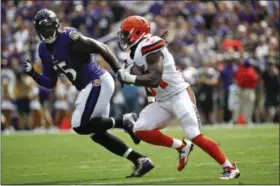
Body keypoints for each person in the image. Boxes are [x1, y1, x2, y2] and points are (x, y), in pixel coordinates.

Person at [23, 9, 153, 178]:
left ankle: (124, 121)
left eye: (48, 28)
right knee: (96, 133)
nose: (45, 33)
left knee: (78, 124)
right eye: (42, 30)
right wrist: (33, 73)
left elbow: (102, 47)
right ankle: (140, 160)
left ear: (56, 26)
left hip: (97, 80)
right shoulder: (43, 49)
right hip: (89, 86)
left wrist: (118, 70)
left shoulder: (68, 37)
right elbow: (50, 82)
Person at [117, 15, 240, 179]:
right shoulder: (135, 53)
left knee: (194, 135)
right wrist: (149, 98)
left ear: (137, 32)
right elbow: (146, 79)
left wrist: (128, 78)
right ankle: (181, 147)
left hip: (179, 94)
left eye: (126, 33)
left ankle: (230, 168)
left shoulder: (149, 45)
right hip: (162, 100)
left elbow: (154, 79)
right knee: (140, 129)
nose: (124, 37)